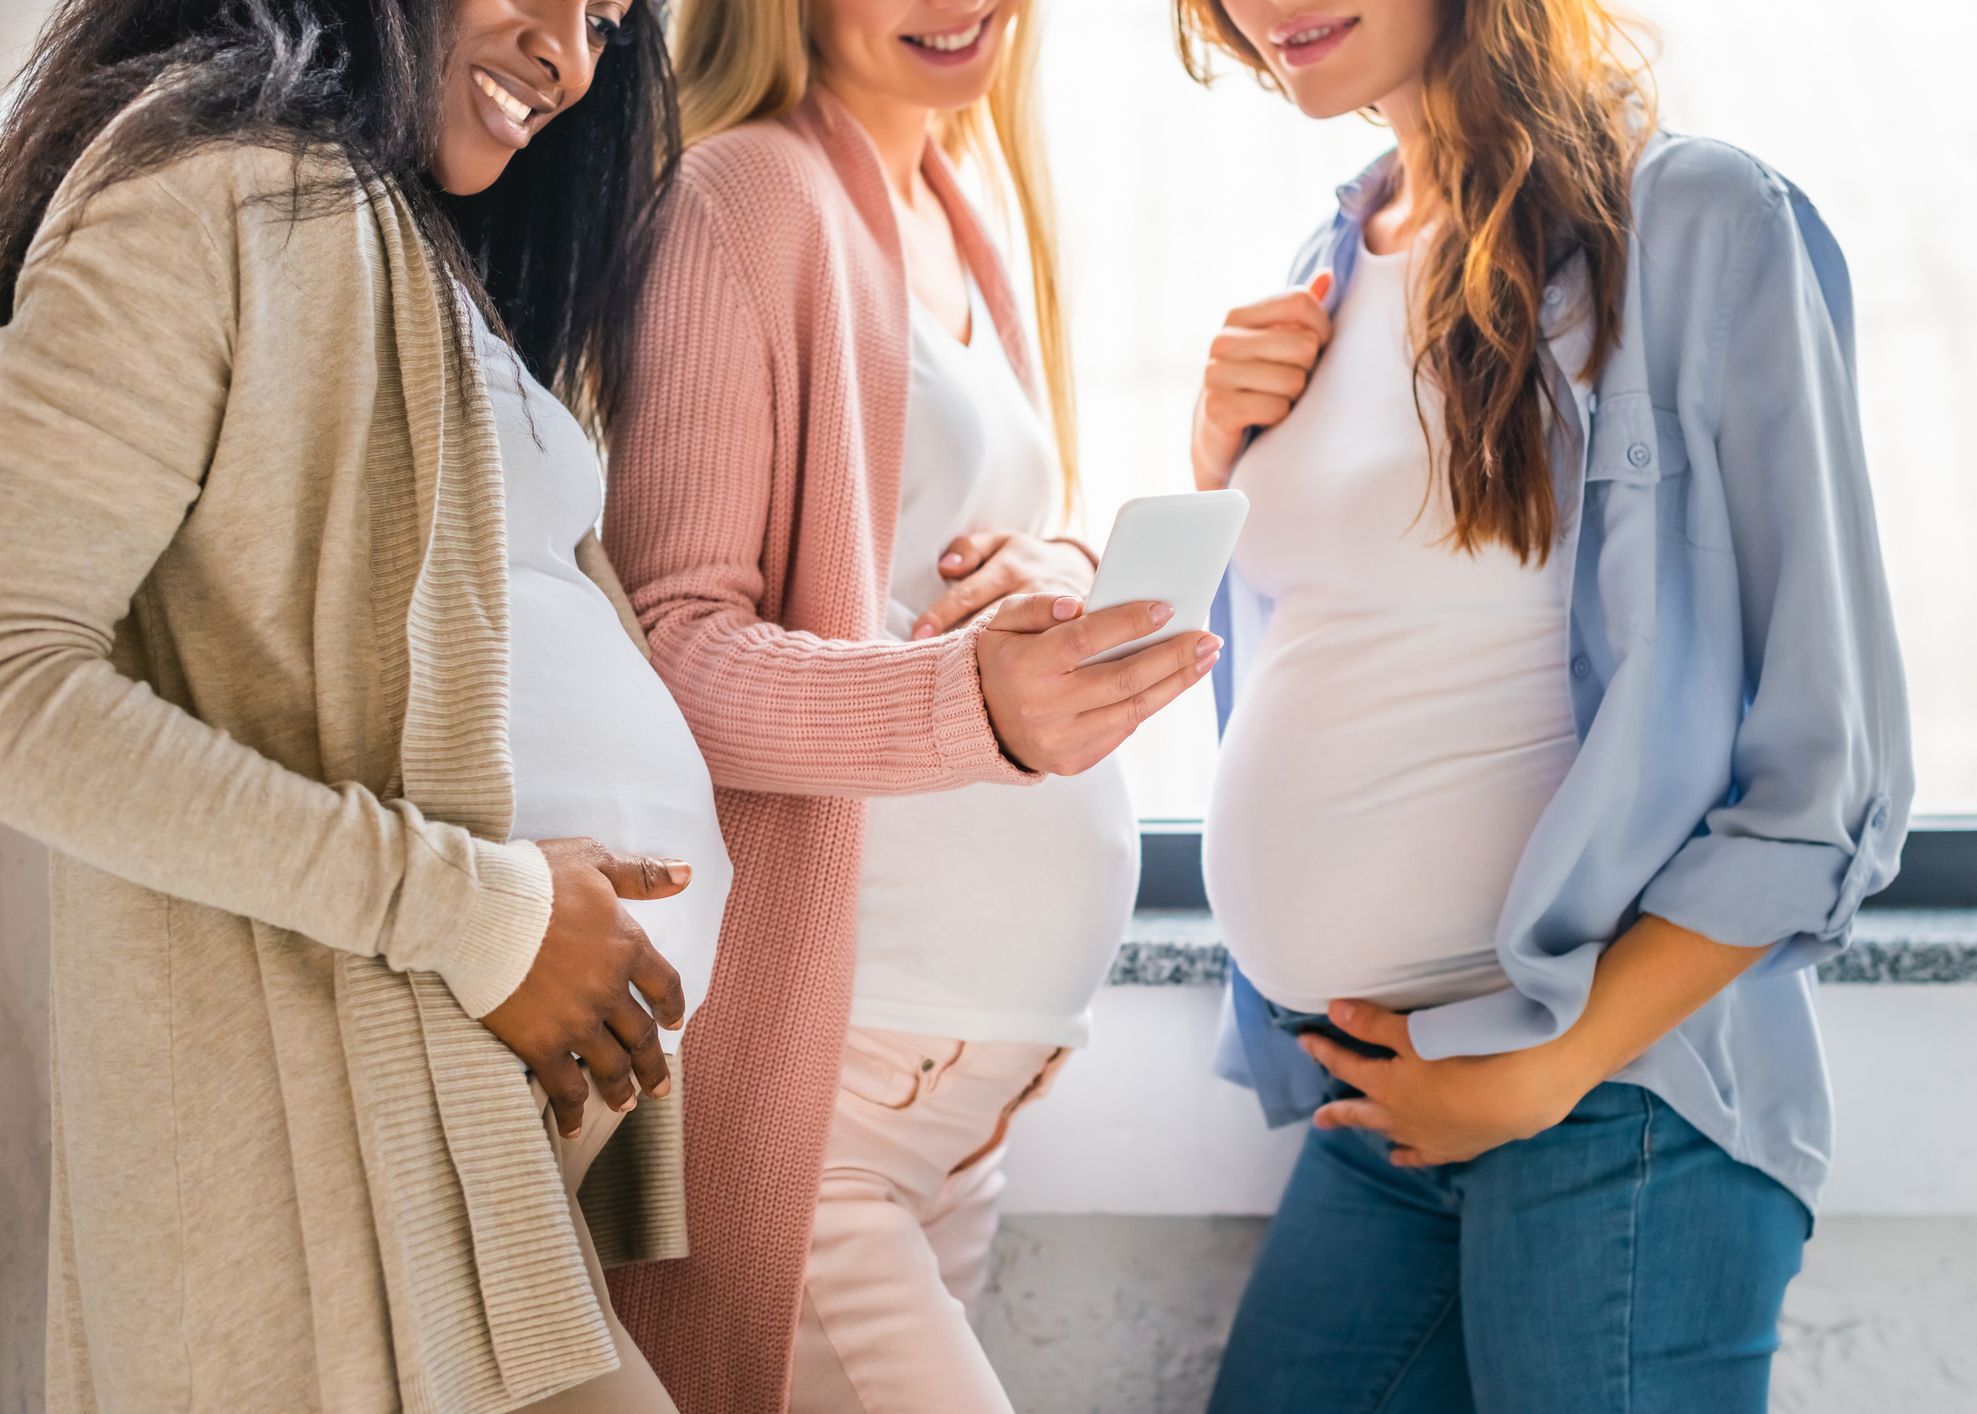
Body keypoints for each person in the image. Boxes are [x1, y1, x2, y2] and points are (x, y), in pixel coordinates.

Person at [1174, 1, 1914, 1409]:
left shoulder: (1695, 224)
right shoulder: (1328, 257)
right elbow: (1349, 651)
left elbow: (1829, 768)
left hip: (1612, 1094)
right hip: (1381, 1093)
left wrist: (1552, 1064)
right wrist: (1214, 460)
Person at [0, 0, 723, 1408]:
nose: (575, 58)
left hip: (455, 1147)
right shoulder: (205, 193)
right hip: (322, 1168)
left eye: (608, 18)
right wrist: (480, 910)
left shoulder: (396, 239)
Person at [596, 2, 1219, 1409]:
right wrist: (973, 707)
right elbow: (671, 646)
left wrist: (1055, 562)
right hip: (824, 1103)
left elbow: (929, 564)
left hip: (946, 1110)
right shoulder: (743, 194)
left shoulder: (952, 198)